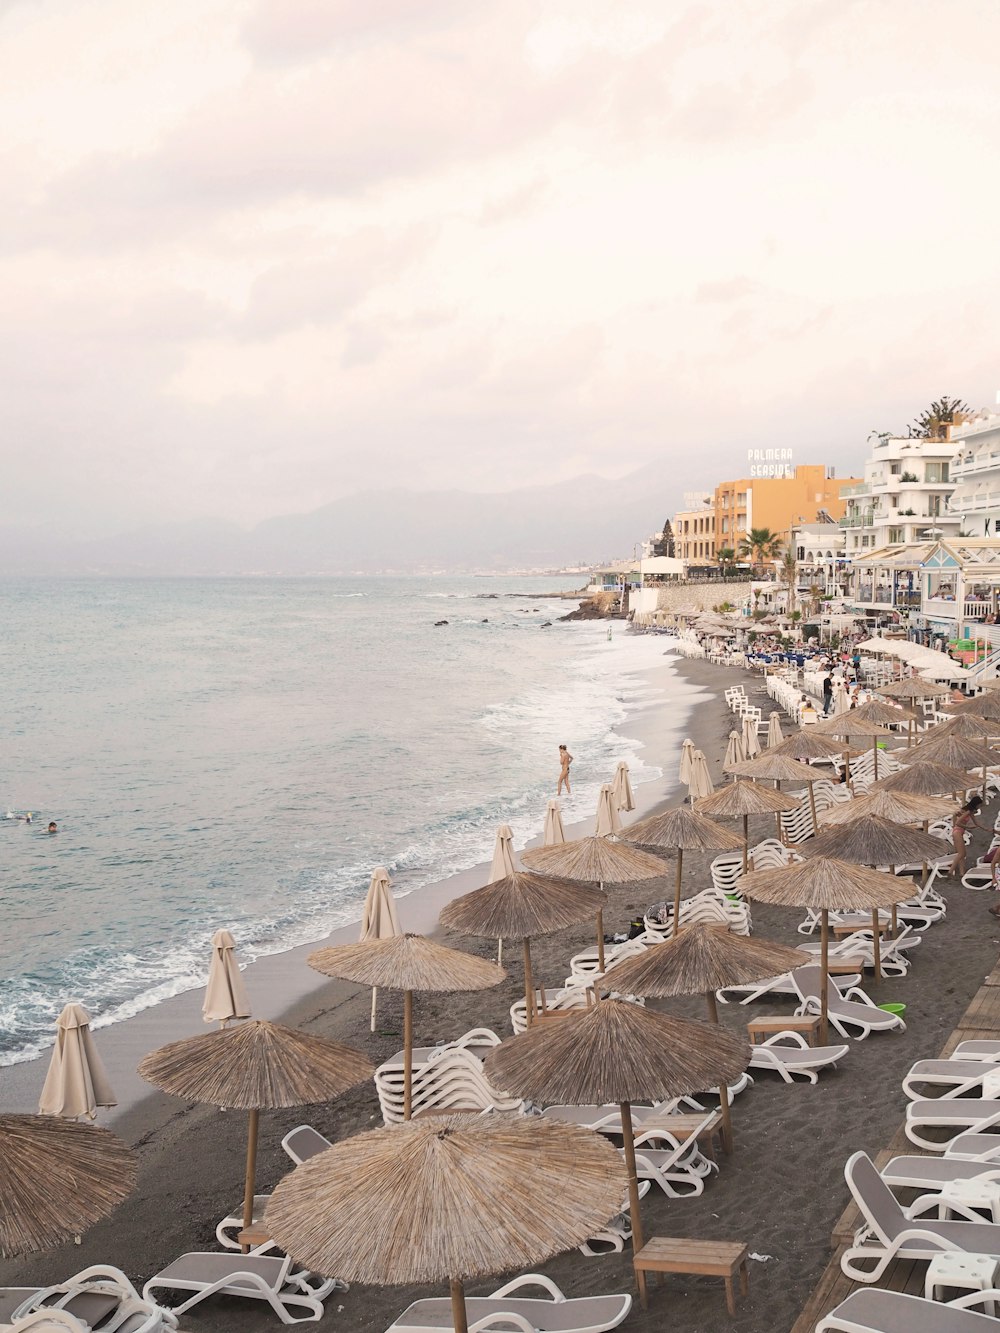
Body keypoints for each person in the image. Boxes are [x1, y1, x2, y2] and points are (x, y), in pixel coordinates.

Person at [951, 796, 988, 879]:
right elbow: (957, 822)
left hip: (959, 832)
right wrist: (968, 828)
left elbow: (976, 823)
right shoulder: (968, 811)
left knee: (961, 854)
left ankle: (961, 873)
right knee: (962, 854)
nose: (980, 807)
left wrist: (987, 829)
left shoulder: (970, 811)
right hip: (957, 831)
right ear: (976, 804)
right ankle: (950, 871)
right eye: (979, 805)